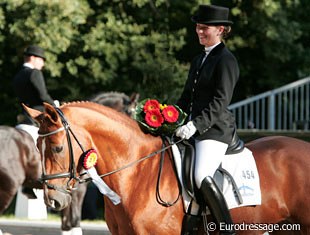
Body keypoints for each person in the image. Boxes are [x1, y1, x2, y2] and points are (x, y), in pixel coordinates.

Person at [175, 5, 239, 235]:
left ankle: (227, 228)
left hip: (214, 131)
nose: (199, 32)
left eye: (204, 28)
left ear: (221, 29)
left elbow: (220, 102)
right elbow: (186, 97)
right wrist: (170, 119)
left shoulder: (226, 60)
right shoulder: (198, 59)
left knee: (201, 174)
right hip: (191, 129)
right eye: (197, 28)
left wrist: (195, 125)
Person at [13, 45, 58, 125]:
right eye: (40, 60)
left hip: (23, 117)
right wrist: (54, 105)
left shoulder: (18, 75)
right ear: (32, 58)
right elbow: (43, 96)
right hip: (38, 117)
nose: (43, 64)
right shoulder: (35, 73)